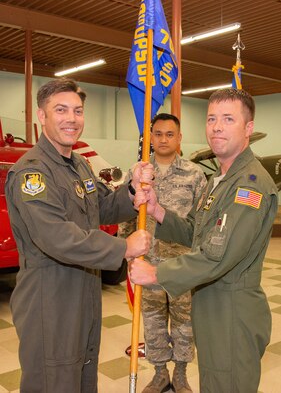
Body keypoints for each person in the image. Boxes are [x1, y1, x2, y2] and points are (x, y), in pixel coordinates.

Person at [5, 78, 153, 393]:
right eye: (61, 110)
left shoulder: (79, 166)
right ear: (41, 117)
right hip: (50, 295)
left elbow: (102, 207)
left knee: (83, 377)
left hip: (84, 289)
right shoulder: (33, 173)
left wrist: (130, 193)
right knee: (53, 380)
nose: (72, 119)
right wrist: (123, 247)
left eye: (78, 111)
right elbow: (57, 237)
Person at [130, 88, 278, 393]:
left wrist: (157, 273)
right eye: (211, 118)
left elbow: (217, 256)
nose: (217, 127)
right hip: (212, 306)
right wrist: (157, 210)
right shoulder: (220, 181)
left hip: (232, 310)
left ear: (248, 128)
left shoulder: (248, 185)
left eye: (228, 119)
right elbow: (196, 233)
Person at [119, 113, 206, 393]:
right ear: (150, 138)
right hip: (148, 264)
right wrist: (128, 252)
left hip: (183, 266)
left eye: (170, 134)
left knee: (184, 323)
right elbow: (126, 214)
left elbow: (201, 223)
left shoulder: (195, 175)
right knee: (153, 322)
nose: (163, 139)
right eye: (158, 134)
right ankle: (159, 374)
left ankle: (180, 374)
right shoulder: (140, 171)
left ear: (179, 138)